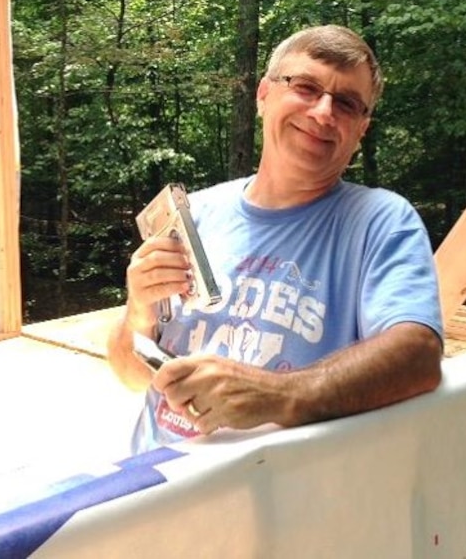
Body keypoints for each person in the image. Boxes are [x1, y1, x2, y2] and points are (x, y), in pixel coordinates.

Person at [107, 24, 443, 453]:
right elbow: (129, 374)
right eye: (306, 87)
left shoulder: (380, 221)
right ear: (263, 95)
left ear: (362, 129)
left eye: (346, 103)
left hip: (274, 498)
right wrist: (139, 310)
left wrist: (276, 394)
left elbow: (417, 357)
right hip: (150, 486)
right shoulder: (197, 214)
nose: (323, 112)